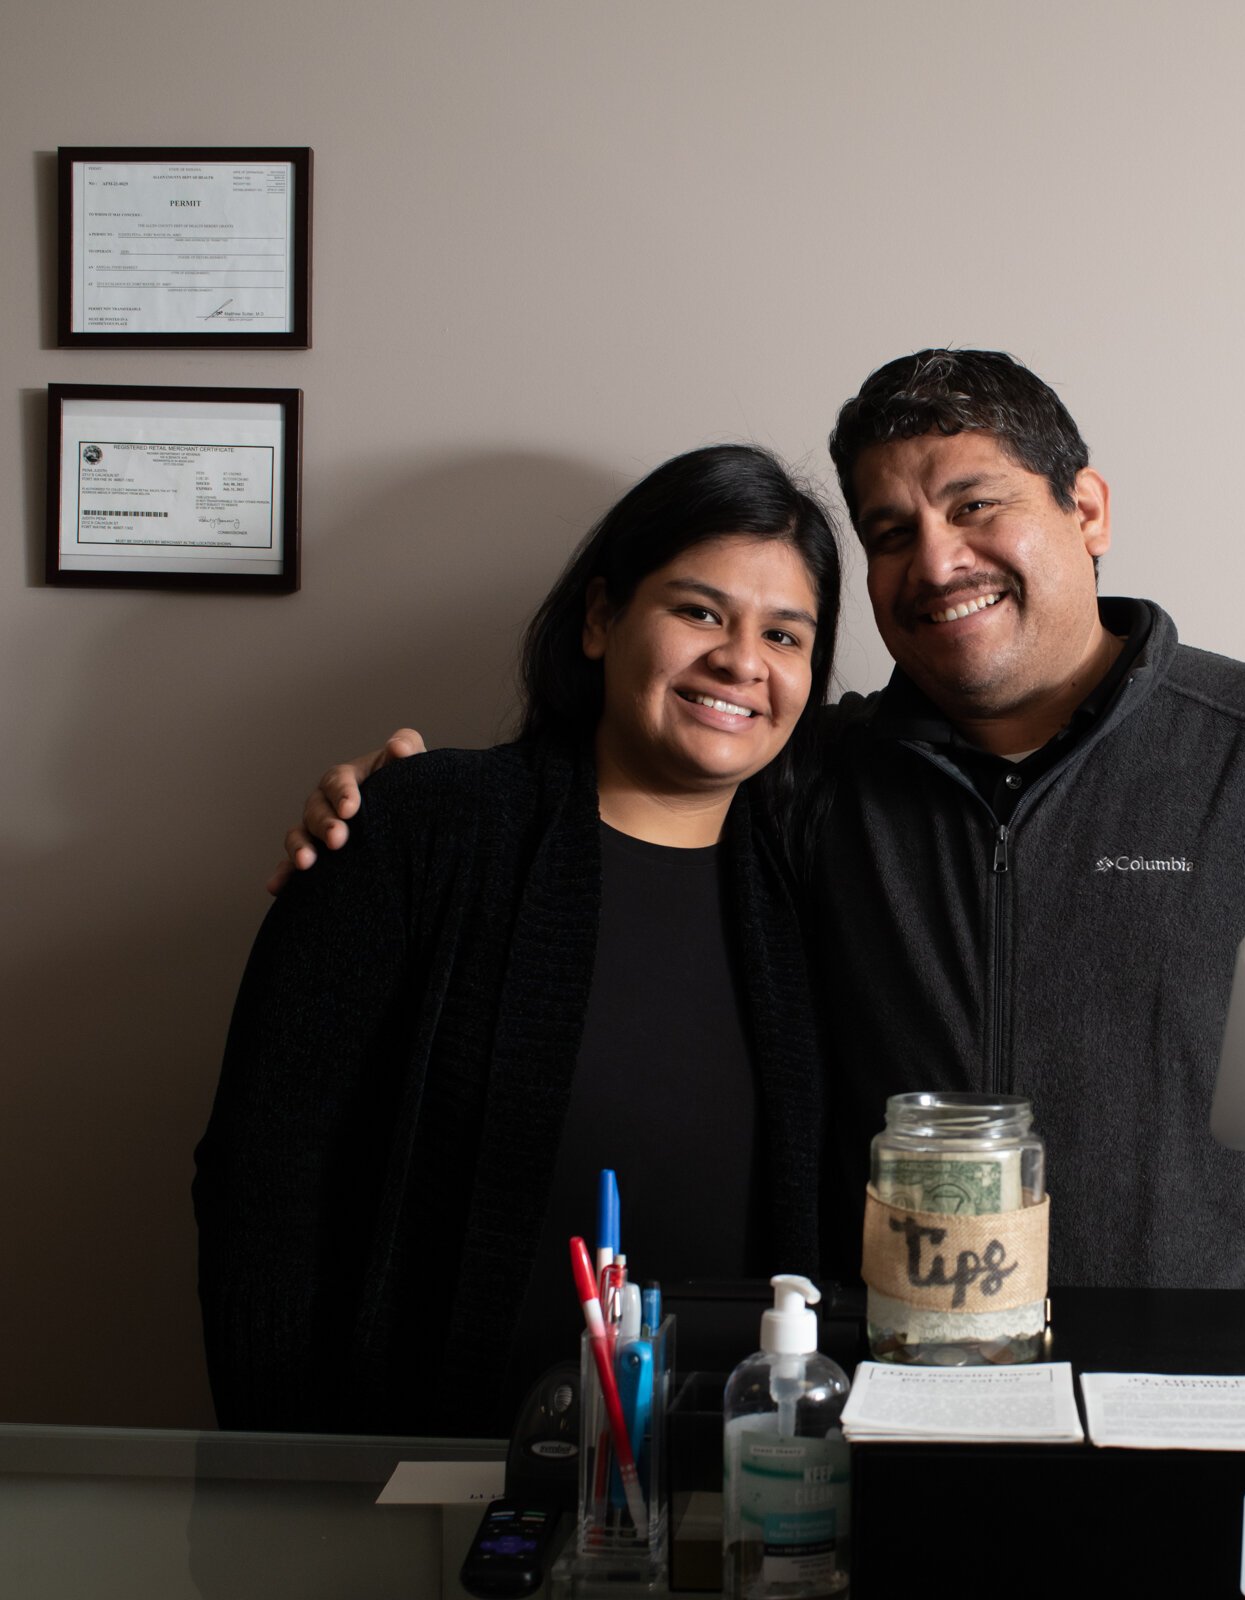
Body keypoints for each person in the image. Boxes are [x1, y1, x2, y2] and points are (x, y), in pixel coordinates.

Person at [279, 350, 1245, 1298]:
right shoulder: (812, 775)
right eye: (891, 532)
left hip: (1217, 1401)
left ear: (1085, 508)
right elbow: (622, 833)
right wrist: (396, 823)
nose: (937, 561)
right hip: (895, 1398)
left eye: (974, 504)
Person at [194, 444, 842, 1438]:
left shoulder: (812, 897)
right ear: (598, 619)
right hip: (417, 1490)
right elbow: (261, 1178)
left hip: (741, 1498)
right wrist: (282, 1478)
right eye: (699, 611)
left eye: (786, 635)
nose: (742, 661)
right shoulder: (427, 826)